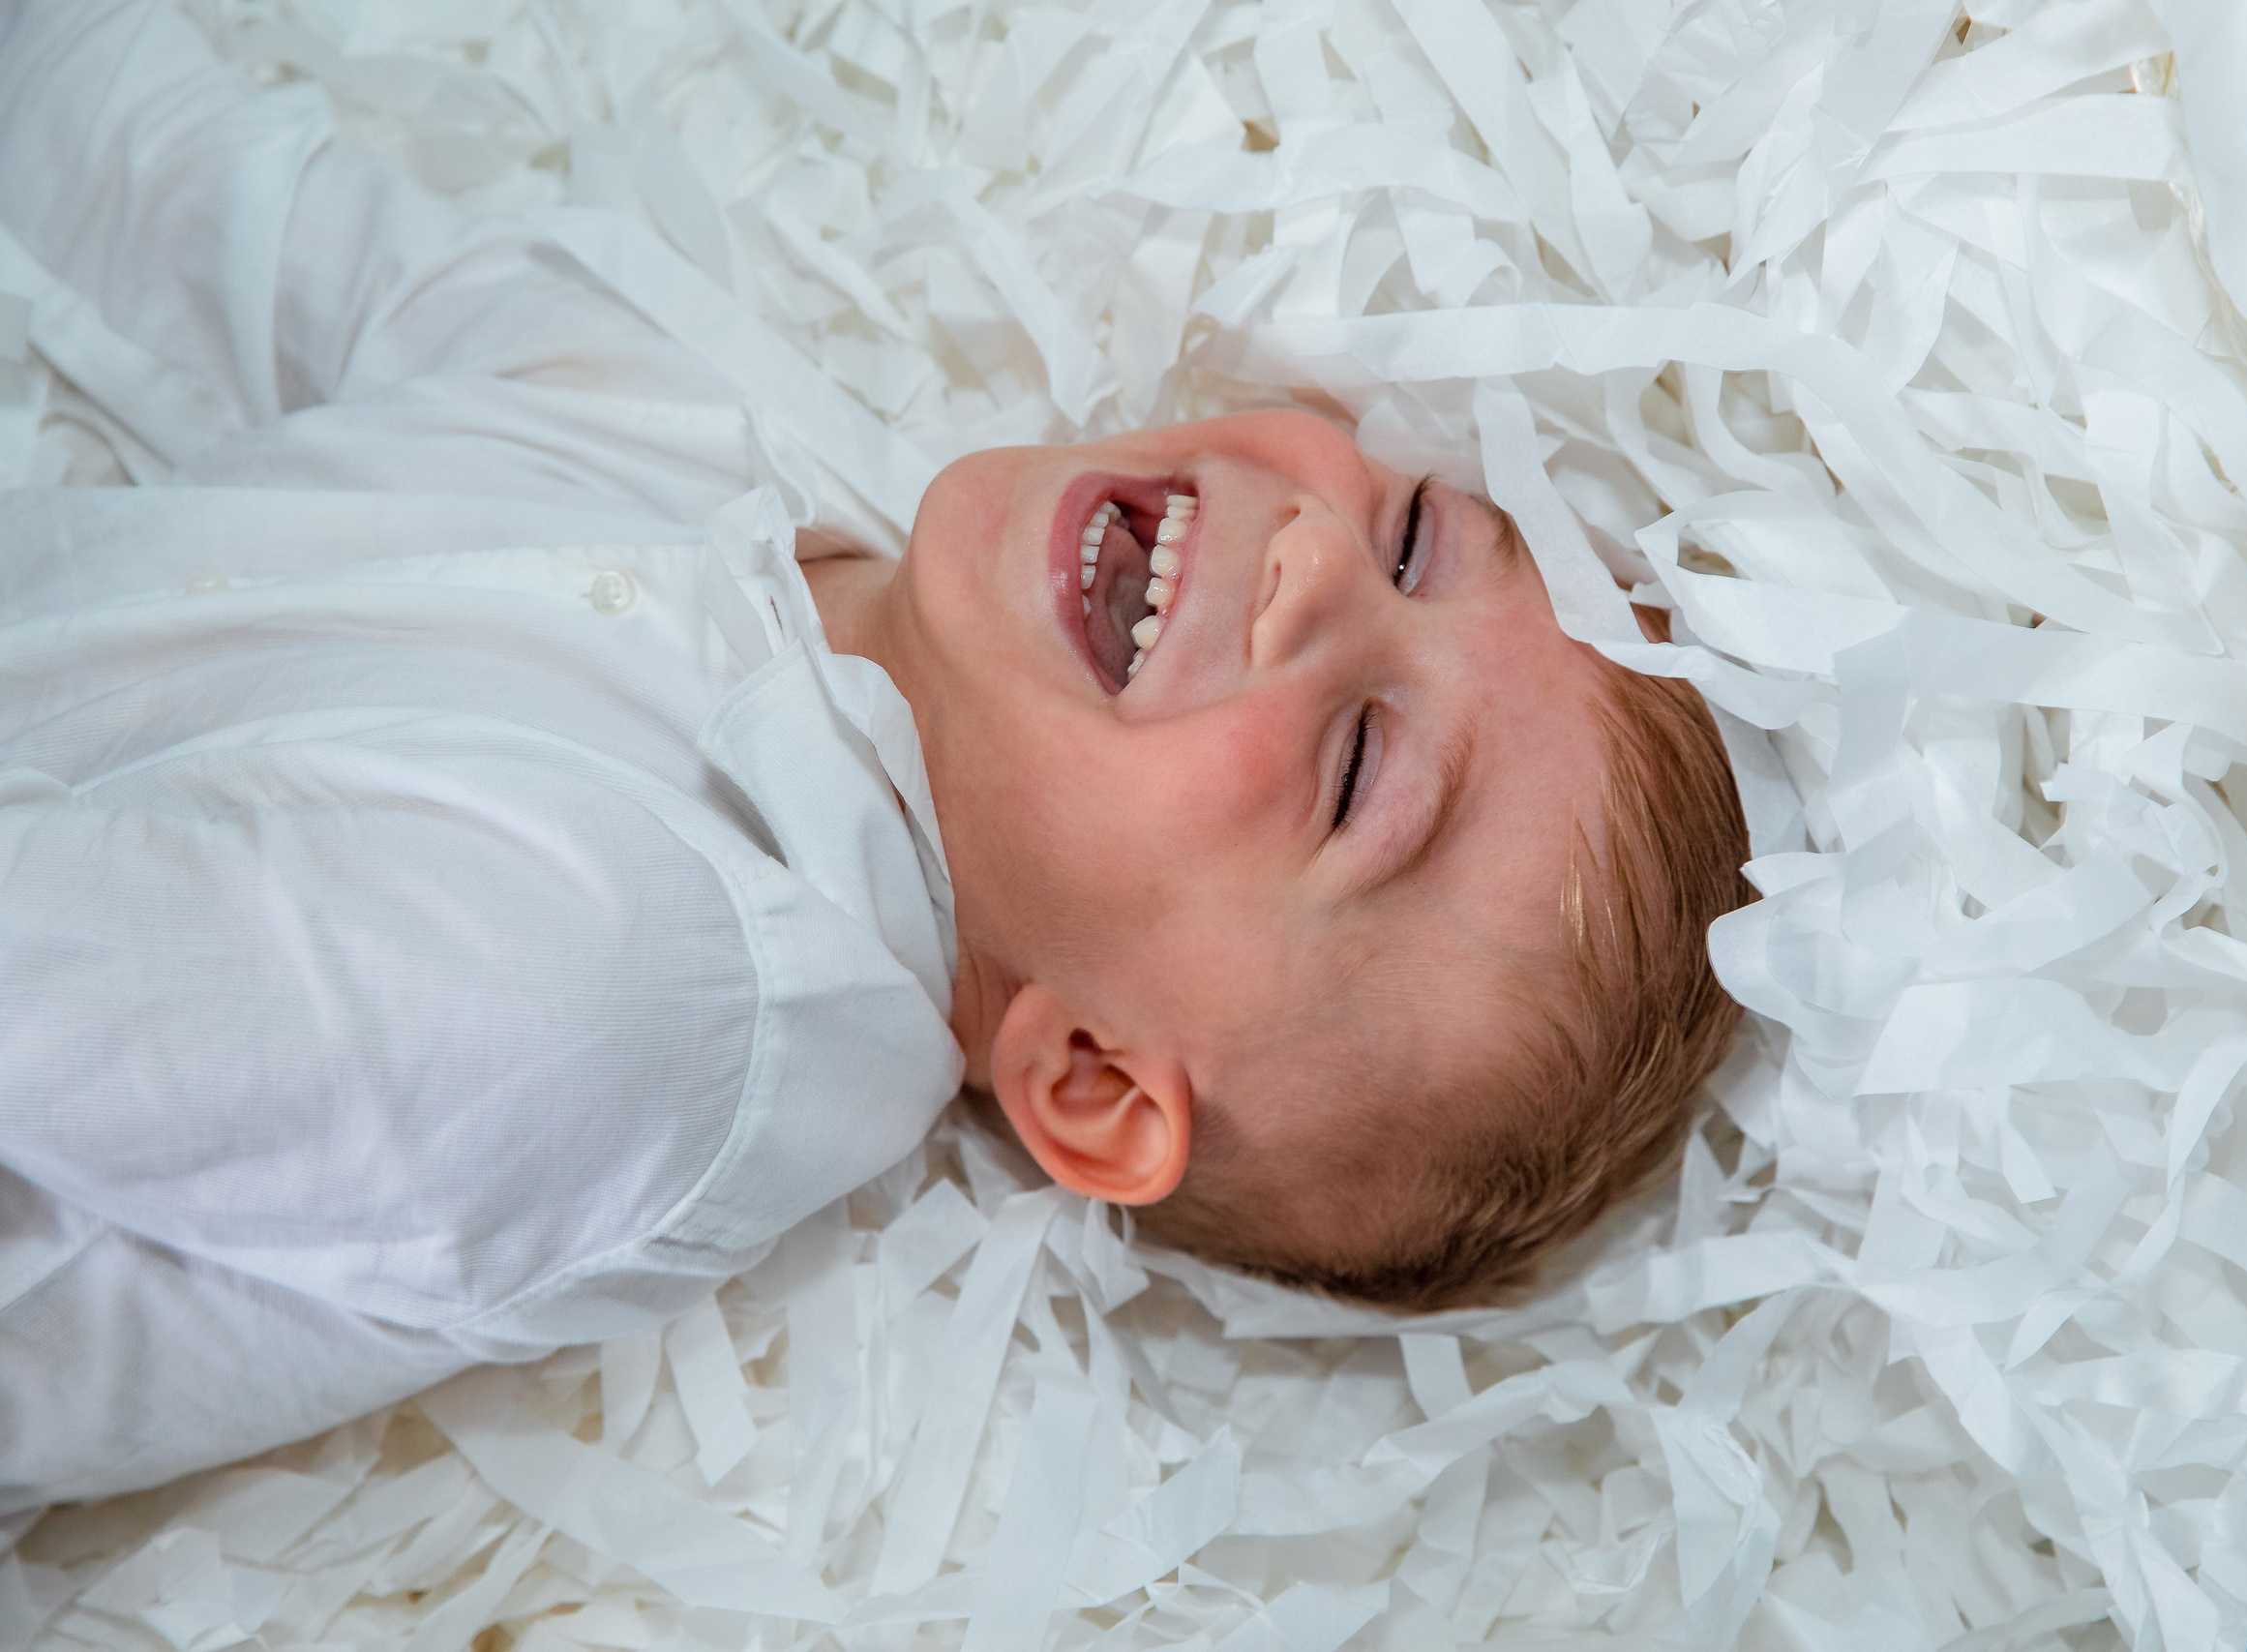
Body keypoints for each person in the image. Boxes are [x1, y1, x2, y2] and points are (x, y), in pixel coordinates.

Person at [0, 0, 1751, 1511]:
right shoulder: (725, 417)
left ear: (1092, 1079)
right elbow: (187, 205)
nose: (1317, 564)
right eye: (1419, 536)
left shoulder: (622, 996)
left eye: (1360, 773)